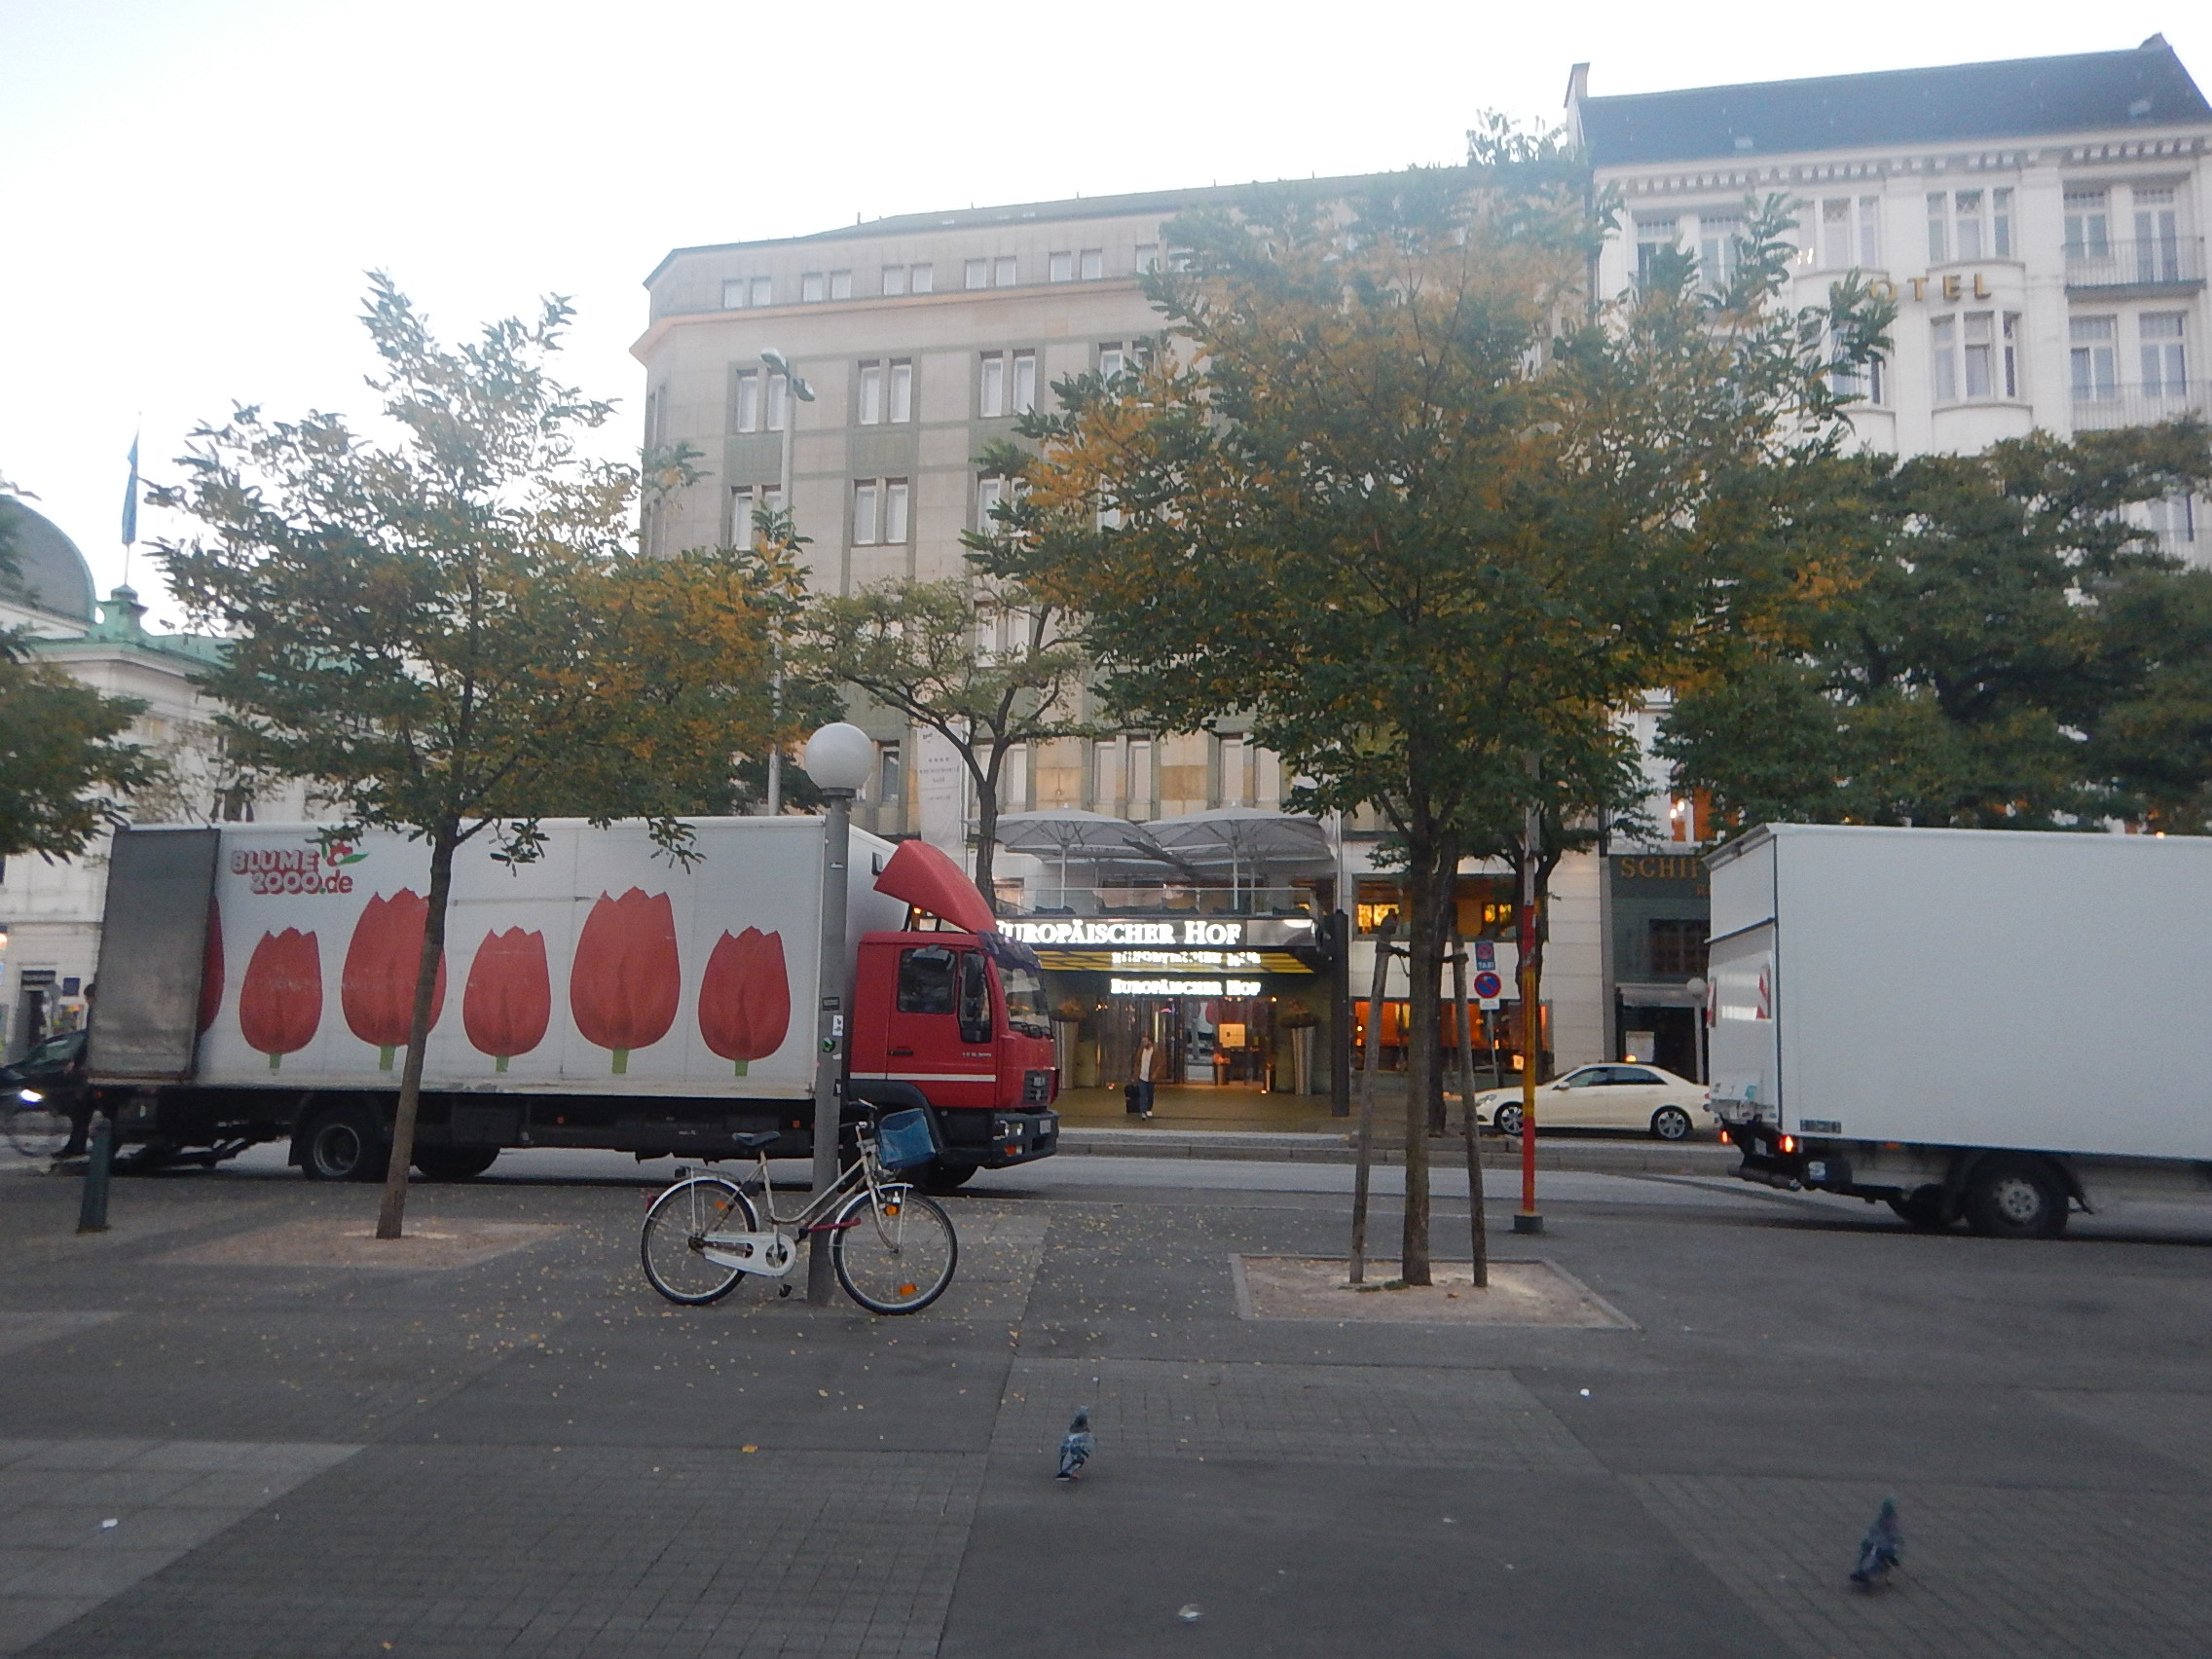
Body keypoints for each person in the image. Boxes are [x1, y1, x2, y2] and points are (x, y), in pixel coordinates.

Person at [1126, 1034, 1157, 1120]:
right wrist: (1135, 1075)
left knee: (1150, 1094)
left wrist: (1155, 1073)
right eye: (1143, 1041)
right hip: (1142, 1076)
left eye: (1145, 1041)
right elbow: (1137, 1063)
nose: (1144, 1043)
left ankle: (1149, 1108)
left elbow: (1159, 1064)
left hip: (1150, 1077)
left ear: (1150, 1042)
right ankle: (1143, 1111)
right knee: (1142, 1094)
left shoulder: (1155, 1051)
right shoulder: (1141, 1051)